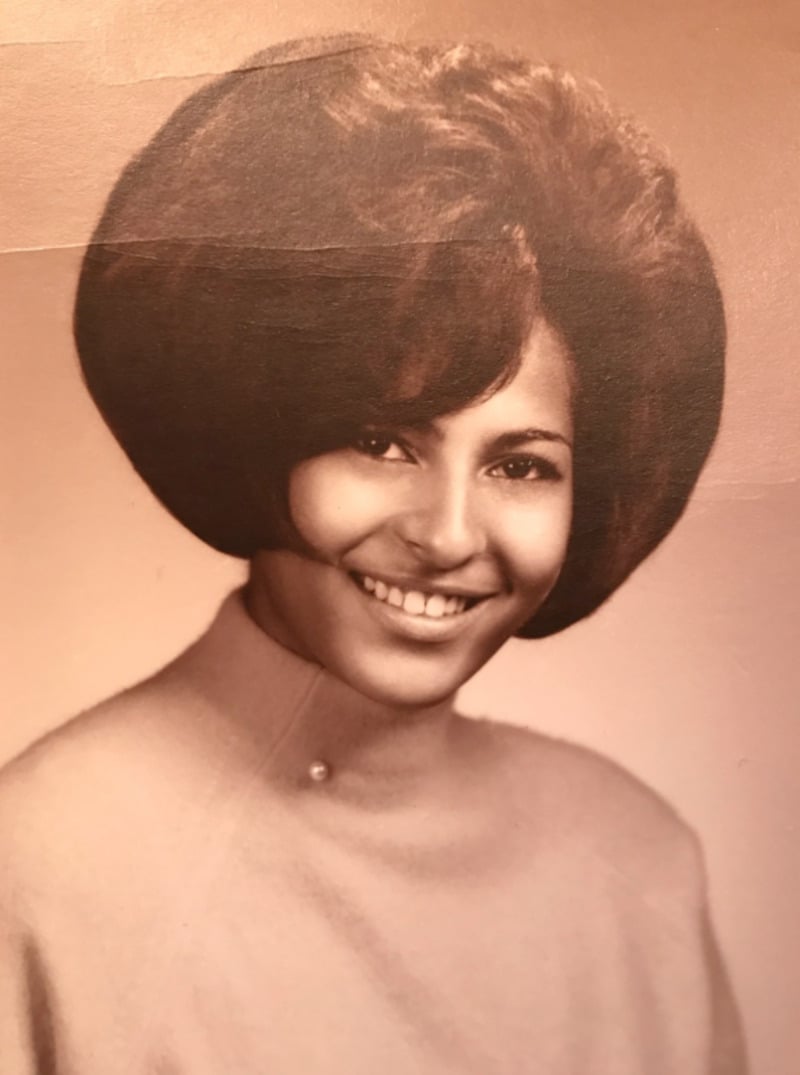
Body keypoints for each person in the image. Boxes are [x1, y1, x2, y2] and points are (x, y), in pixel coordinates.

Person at [0, 34, 746, 1074]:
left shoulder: (633, 860)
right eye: (381, 439)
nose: (445, 535)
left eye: (521, 465)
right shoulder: (35, 865)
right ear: (251, 427)